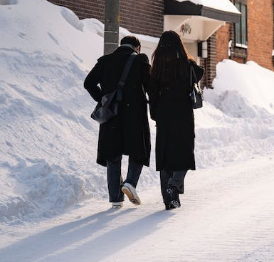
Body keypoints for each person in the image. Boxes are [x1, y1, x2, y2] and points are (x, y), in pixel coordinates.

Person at [84, 36, 151, 209]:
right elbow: (150, 85)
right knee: (138, 150)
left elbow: (88, 83)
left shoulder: (105, 61)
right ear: (137, 47)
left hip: (111, 114)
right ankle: (129, 183)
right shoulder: (140, 60)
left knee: (113, 154)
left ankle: (115, 198)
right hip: (134, 115)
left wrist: (104, 99)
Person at [149, 30, 204, 210]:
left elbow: (152, 93)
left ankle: (169, 199)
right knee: (184, 153)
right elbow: (199, 72)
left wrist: (155, 114)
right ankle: (174, 185)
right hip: (183, 115)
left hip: (164, 116)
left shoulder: (156, 67)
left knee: (165, 157)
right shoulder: (186, 65)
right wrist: (186, 60)